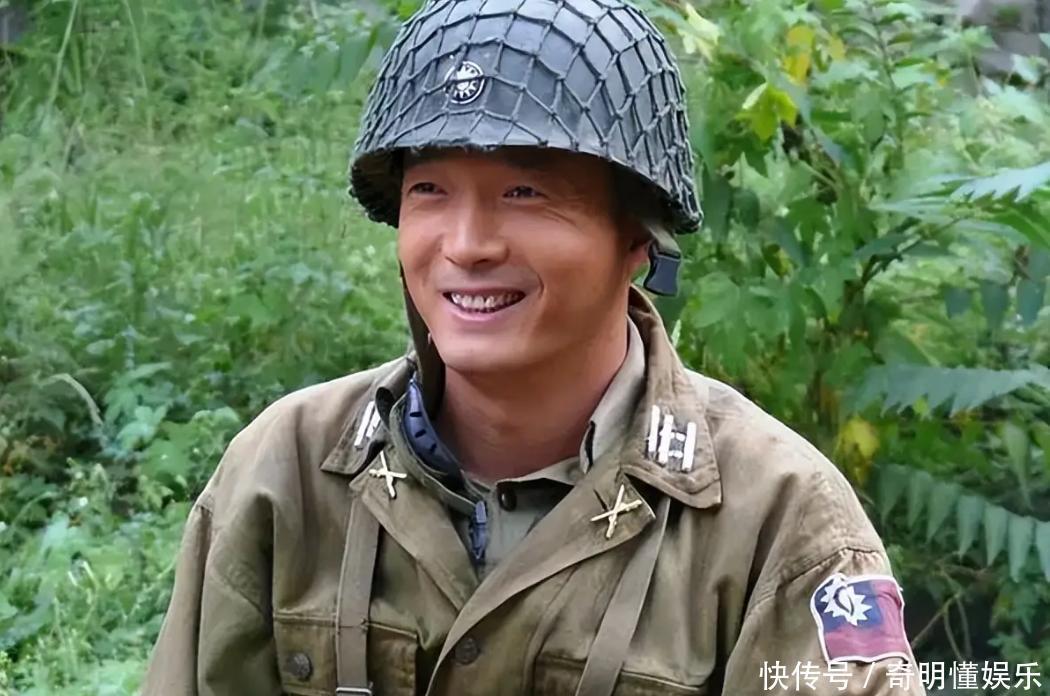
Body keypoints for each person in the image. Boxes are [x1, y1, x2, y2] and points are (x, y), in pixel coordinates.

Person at [143, 0, 927, 694]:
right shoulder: (287, 468)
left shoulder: (781, 520)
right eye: (430, 191)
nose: (467, 244)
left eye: (525, 193)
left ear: (637, 240)